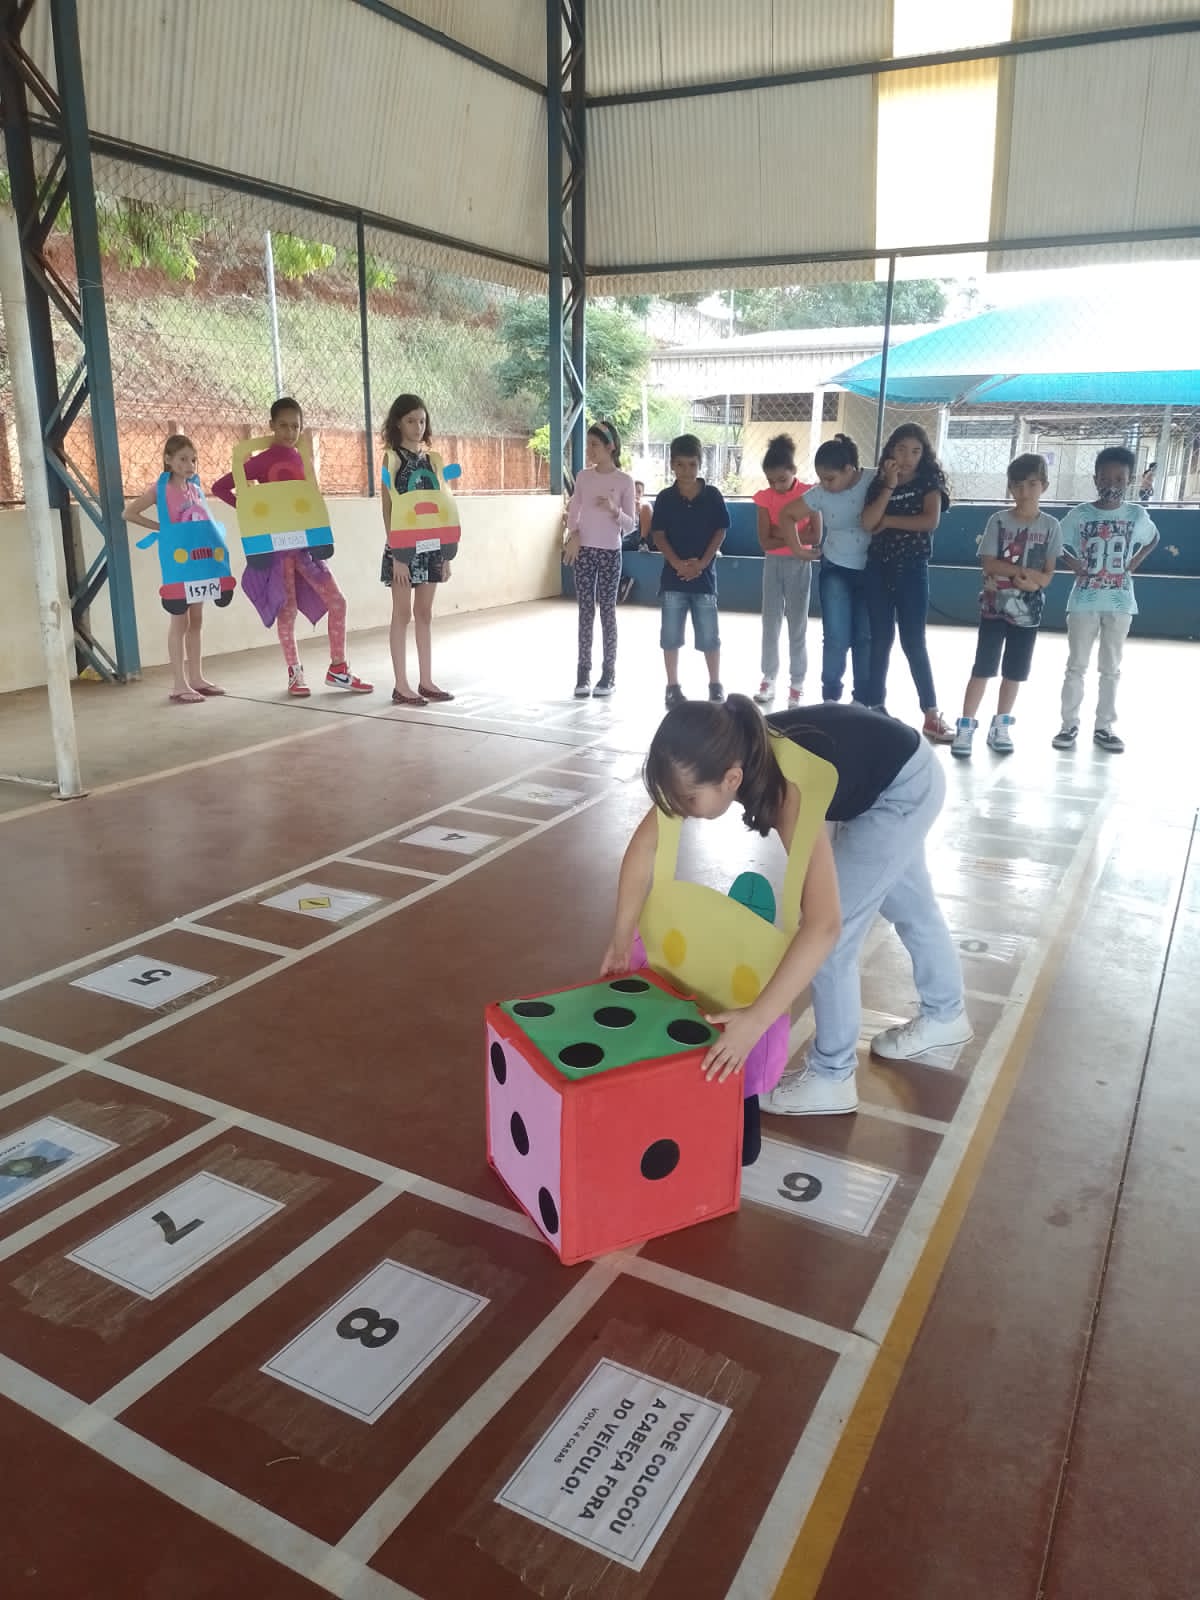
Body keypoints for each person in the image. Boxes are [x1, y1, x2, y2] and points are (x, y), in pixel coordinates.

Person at [601, 696, 971, 1127]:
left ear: (731, 779)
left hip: (901, 790)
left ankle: (832, 1075)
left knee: (832, 942)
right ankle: (946, 1012)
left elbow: (823, 925)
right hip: (893, 766)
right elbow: (646, 845)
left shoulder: (788, 790)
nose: (677, 809)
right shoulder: (713, 753)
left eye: (687, 799)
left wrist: (755, 1020)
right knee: (910, 904)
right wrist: (622, 938)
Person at [211, 398, 371, 699]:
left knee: (337, 601)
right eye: (283, 425)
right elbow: (220, 487)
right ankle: (295, 674)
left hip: (305, 549)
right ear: (271, 425)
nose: (289, 432)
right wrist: (249, 512)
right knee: (287, 611)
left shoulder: (302, 459)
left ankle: (338, 669)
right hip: (277, 552)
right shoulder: (260, 461)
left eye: (295, 426)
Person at [952, 454, 1063, 759]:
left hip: (1028, 612)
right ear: (1010, 488)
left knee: (1014, 671)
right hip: (994, 607)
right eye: (1018, 485)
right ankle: (966, 724)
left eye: (1032, 484)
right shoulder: (998, 521)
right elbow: (989, 563)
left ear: (1044, 486)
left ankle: (1001, 725)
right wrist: (1021, 573)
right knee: (983, 667)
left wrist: (1034, 584)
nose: (1024, 491)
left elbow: (1048, 574)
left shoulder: (1051, 526)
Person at [1052, 446, 1159, 755]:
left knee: (1111, 667)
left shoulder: (1136, 515)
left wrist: (1136, 559)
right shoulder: (1081, 515)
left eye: (1119, 479)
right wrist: (1071, 562)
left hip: (1120, 601)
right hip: (1084, 601)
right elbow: (1056, 540)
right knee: (1076, 665)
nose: (1111, 484)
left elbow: (1153, 537)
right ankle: (1068, 724)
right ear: (1095, 479)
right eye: (1105, 478)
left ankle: (1104, 727)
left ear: (1130, 480)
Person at [860, 423, 954, 741]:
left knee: (914, 641)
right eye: (901, 449)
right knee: (880, 638)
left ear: (923, 454)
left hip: (912, 570)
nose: (907, 457)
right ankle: (875, 707)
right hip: (878, 568)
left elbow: (929, 521)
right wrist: (889, 485)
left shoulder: (929, 482)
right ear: (890, 451)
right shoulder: (879, 483)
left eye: (915, 451)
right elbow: (868, 523)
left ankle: (931, 713)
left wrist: (889, 520)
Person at [126, 434, 225, 704]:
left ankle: (197, 677)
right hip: (178, 563)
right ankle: (179, 684)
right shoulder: (159, 489)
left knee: (197, 619)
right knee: (179, 620)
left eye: (193, 460)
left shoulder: (195, 488)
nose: (189, 465)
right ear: (168, 459)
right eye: (182, 459)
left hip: (198, 560)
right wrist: (163, 529)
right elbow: (129, 513)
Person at [379, 393, 455, 706]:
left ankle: (426, 680)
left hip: (431, 547)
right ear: (398, 423)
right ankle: (401, 684)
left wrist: (446, 554)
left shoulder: (433, 461)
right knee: (402, 613)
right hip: (403, 549)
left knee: (424, 613)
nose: (418, 427)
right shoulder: (391, 459)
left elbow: (442, 507)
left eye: (422, 421)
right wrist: (398, 554)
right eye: (411, 420)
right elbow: (388, 508)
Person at [789, 433, 872, 705]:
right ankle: (830, 697)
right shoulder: (821, 493)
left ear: (849, 470)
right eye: (821, 478)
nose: (824, 484)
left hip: (871, 570)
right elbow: (787, 515)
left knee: (865, 637)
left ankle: (861, 699)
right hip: (835, 568)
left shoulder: (874, 480)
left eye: (830, 478)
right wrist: (799, 550)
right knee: (836, 636)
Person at [651, 434, 730, 708]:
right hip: (673, 581)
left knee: (709, 636)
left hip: (704, 580)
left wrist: (703, 563)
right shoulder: (665, 498)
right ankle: (672, 686)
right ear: (672, 464)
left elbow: (720, 531)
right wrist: (676, 563)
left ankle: (715, 684)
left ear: (700, 464)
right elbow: (658, 535)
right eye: (680, 464)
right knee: (670, 636)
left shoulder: (713, 495)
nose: (686, 470)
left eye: (692, 464)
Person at [563, 421, 635, 696]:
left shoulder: (624, 481)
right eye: (588, 445)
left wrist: (615, 509)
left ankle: (608, 675)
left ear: (610, 447)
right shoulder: (583, 477)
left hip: (610, 554)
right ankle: (583, 674)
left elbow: (631, 525)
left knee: (607, 611)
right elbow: (574, 510)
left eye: (595, 445)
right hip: (585, 551)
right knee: (585, 611)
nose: (589, 450)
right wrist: (573, 535)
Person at [751, 433, 819, 709]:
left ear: (794, 470)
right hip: (773, 564)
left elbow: (815, 535)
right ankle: (768, 677)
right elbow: (765, 541)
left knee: (797, 624)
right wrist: (794, 536)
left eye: (782, 479)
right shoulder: (764, 498)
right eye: (771, 481)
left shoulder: (809, 494)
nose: (776, 486)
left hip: (800, 564)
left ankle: (797, 683)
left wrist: (781, 532)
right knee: (770, 622)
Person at [617, 479, 653, 604]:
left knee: (646, 506)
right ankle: (623, 580)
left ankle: (643, 542)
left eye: (639, 492)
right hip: (624, 538)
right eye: (633, 491)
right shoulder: (620, 505)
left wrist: (637, 508)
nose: (635, 494)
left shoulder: (644, 506)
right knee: (610, 548)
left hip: (640, 535)